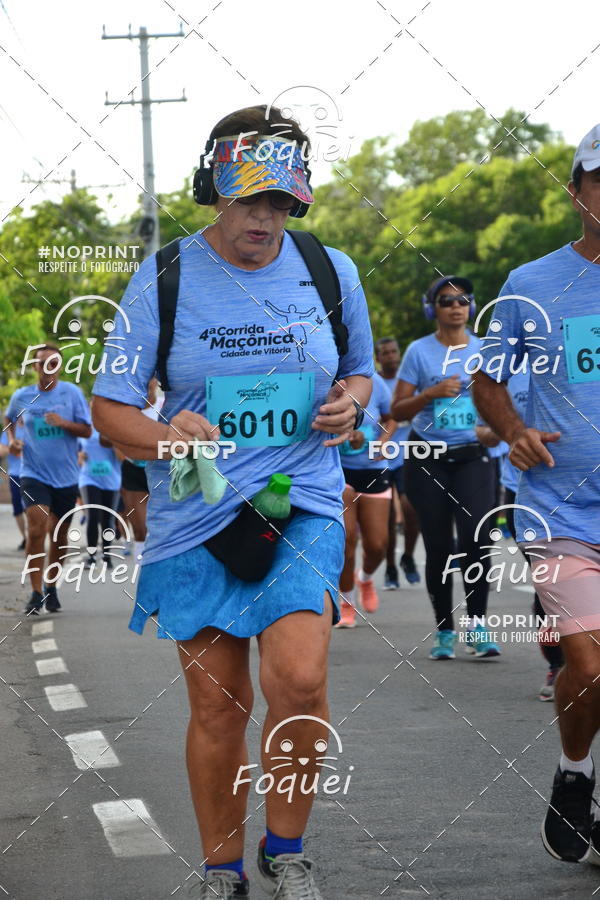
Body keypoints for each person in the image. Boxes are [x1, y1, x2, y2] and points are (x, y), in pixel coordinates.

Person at [92, 105, 374, 899]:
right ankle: (222, 870)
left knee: (301, 679)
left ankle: (286, 851)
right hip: (199, 511)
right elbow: (111, 413)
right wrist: (169, 433)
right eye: (249, 198)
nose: (264, 217)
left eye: (281, 202)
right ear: (216, 188)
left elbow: (360, 373)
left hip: (298, 498)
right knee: (220, 707)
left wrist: (350, 404)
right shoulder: (163, 278)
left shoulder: (329, 271)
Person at [472, 124, 600, 864]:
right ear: (575, 191)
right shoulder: (531, 284)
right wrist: (515, 429)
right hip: (561, 508)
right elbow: (487, 378)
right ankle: (575, 771)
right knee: (588, 660)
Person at [392, 276, 500, 660]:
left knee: (476, 539)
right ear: (432, 308)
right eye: (446, 300)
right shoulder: (418, 353)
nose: (455, 306)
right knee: (437, 545)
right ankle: (444, 631)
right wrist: (429, 394)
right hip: (426, 458)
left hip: (473, 456)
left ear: (471, 306)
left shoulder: (487, 350)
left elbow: (505, 402)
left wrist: (493, 432)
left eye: (463, 299)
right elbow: (396, 410)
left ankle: (478, 626)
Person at [476, 371, 564, 701]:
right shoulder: (502, 376)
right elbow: (482, 429)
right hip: (526, 493)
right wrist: (500, 433)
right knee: (549, 582)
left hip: (583, 487)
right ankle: (559, 663)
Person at [5, 345, 91, 615]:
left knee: (59, 534)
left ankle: (51, 586)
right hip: (32, 473)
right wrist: (13, 442)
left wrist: (64, 423)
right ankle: (35, 592)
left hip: (66, 477)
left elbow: (87, 431)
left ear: (60, 367)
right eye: (43, 363)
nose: (48, 368)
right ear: (35, 366)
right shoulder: (22, 396)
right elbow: (9, 420)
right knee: (36, 529)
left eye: (54, 363)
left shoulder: (72, 394)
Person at [336, 373, 393, 628]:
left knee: (378, 545)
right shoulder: (329, 379)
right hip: (339, 469)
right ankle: (346, 601)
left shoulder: (375, 382)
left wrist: (380, 443)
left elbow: (392, 418)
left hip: (373, 470)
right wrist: (345, 433)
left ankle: (366, 578)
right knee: (348, 539)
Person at [374, 337, 421, 588]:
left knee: (411, 508)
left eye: (394, 351)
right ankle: (390, 568)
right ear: (378, 358)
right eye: (386, 353)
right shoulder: (373, 384)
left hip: (406, 455)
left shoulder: (409, 382)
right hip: (379, 457)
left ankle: (409, 557)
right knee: (388, 518)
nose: (391, 356)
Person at [119, 378, 163, 563]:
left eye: (150, 379)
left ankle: (157, 564)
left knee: (160, 528)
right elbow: (111, 436)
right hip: (133, 469)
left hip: (161, 469)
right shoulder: (126, 408)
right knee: (140, 528)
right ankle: (141, 569)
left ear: (155, 382)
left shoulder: (165, 405)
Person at [78, 420, 121, 569]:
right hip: (89, 478)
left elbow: (122, 457)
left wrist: (114, 441)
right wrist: (79, 455)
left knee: (107, 519)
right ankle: (91, 557)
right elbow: (74, 448)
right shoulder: (85, 427)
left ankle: (107, 557)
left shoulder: (115, 427)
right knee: (93, 516)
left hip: (111, 480)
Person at [0, 415, 27, 549]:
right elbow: (1, 450)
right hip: (15, 474)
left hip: (34, 474)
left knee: (32, 508)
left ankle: (35, 535)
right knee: (18, 509)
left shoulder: (33, 426)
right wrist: (14, 447)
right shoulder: (11, 430)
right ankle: (25, 538)